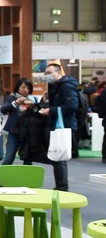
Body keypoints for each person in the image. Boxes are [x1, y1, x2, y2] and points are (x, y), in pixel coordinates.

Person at [39, 63, 79, 191]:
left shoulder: (66, 86)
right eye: (45, 73)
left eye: (49, 73)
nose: (47, 76)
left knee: (60, 156)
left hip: (63, 126)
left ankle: (62, 187)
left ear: (58, 72)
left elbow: (72, 106)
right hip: (56, 124)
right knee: (57, 157)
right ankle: (61, 186)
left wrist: (51, 110)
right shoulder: (54, 86)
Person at [0, 77, 37, 165]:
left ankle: (27, 178)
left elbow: (38, 113)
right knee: (9, 158)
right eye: (23, 87)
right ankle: (5, 176)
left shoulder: (33, 99)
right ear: (17, 88)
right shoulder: (11, 98)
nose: (26, 90)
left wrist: (34, 108)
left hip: (28, 133)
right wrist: (16, 102)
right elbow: (3, 110)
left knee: (28, 159)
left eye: (28, 88)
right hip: (14, 132)